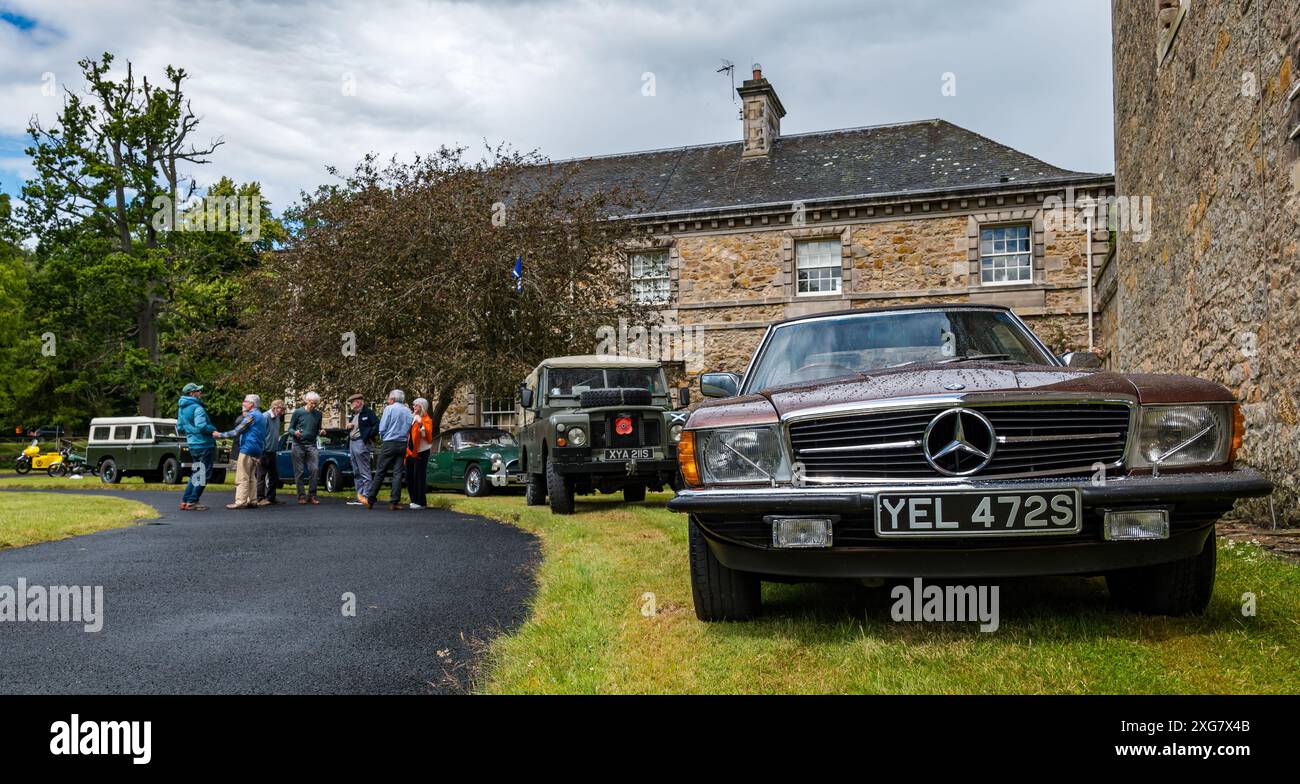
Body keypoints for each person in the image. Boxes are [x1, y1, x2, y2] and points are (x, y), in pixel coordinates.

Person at [358, 389, 413, 510]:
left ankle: (370, 499)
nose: (388, 400)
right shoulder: (408, 411)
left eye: (389, 398)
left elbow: (382, 427)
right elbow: (410, 426)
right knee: (398, 473)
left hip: (389, 443)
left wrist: (383, 437)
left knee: (380, 472)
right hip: (402, 443)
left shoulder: (389, 409)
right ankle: (394, 502)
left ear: (392, 399)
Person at [216, 394, 268, 510]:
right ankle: (252, 500)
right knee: (251, 476)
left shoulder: (252, 416)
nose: (243, 403)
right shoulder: (261, 416)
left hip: (247, 448)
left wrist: (219, 435)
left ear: (252, 404)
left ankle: (240, 501)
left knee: (242, 476)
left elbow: (237, 431)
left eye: (245, 401)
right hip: (257, 449)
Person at [177, 383, 217, 511]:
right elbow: (201, 426)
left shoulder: (181, 408)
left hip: (193, 445)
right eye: (198, 391)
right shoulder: (197, 408)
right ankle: (193, 501)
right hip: (204, 444)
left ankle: (185, 501)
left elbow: (180, 427)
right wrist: (213, 429)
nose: (200, 393)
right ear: (191, 394)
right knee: (203, 474)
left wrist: (191, 431)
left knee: (196, 472)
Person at [288, 391, 323, 505]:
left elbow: (318, 428)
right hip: (298, 445)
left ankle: (312, 495)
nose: (313, 405)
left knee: (315, 469)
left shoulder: (318, 414)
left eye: (315, 404)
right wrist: (295, 432)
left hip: (311, 445)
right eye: (311, 403)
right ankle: (301, 496)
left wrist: (321, 431)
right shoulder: (298, 412)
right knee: (300, 471)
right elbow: (290, 429)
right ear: (307, 401)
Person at [346, 394, 378, 500]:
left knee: (364, 471)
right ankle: (360, 495)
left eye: (353, 402)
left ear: (358, 402)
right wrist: (348, 427)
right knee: (356, 471)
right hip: (352, 443)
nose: (351, 405)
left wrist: (368, 436)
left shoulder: (368, 413)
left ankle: (366, 495)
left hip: (361, 443)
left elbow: (377, 425)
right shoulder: (354, 414)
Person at [405, 397, 434, 509]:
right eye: (413, 405)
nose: (414, 407)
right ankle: (413, 499)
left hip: (421, 451)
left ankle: (420, 502)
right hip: (410, 451)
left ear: (421, 406)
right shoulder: (412, 417)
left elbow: (426, 436)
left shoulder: (426, 419)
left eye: (416, 405)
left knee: (419, 476)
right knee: (409, 476)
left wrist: (421, 423)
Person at [256, 399, 285, 506]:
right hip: (264, 451)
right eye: (281, 409)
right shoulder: (265, 417)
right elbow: (259, 435)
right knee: (261, 475)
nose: (282, 412)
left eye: (283, 410)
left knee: (274, 475)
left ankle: (271, 497)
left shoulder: (277, 418)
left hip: (272, 451)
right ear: (274, 408)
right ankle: (260, 498)